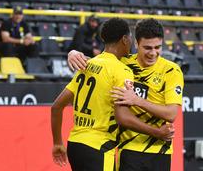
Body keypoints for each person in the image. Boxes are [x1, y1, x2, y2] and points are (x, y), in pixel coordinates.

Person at [51, 18, 174, 171]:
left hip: (75, 144)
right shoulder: (122, 70)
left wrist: (57, 143)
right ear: (125, 39)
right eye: (130, 38)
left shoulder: (88, 65)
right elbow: (123, 117)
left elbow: (56, 107)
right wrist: (157, 132)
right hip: (99, 147)